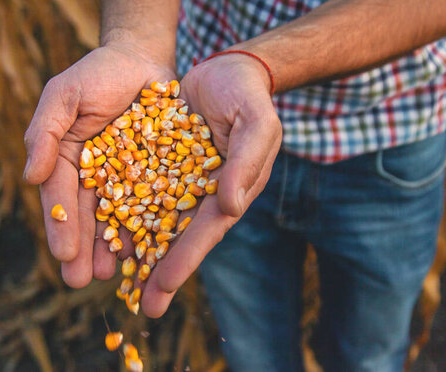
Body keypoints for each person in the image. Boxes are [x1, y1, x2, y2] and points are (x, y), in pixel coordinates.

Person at [23, 1, 446, 370]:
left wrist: (261, 64)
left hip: (390, 136)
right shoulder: (172, 137)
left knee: (368, 354)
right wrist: (135, 40)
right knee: (252, 347)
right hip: (211, 123)